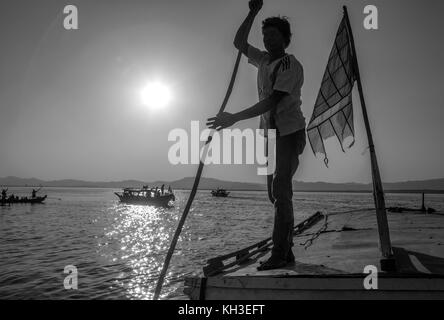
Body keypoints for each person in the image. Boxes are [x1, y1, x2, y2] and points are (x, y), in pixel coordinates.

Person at [207, 0, 306, 271]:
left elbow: (272, 101)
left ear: (285, 39)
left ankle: (281, 254)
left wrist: (234, 118)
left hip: (288, 133)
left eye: (273, 35)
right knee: (274, 195)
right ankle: (287, 251)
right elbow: (239, 42)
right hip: (270, 136)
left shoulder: (289, 64)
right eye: (265, 35)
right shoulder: (262, 59)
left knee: (281, 192)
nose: (267, 39)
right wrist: (253, 12)